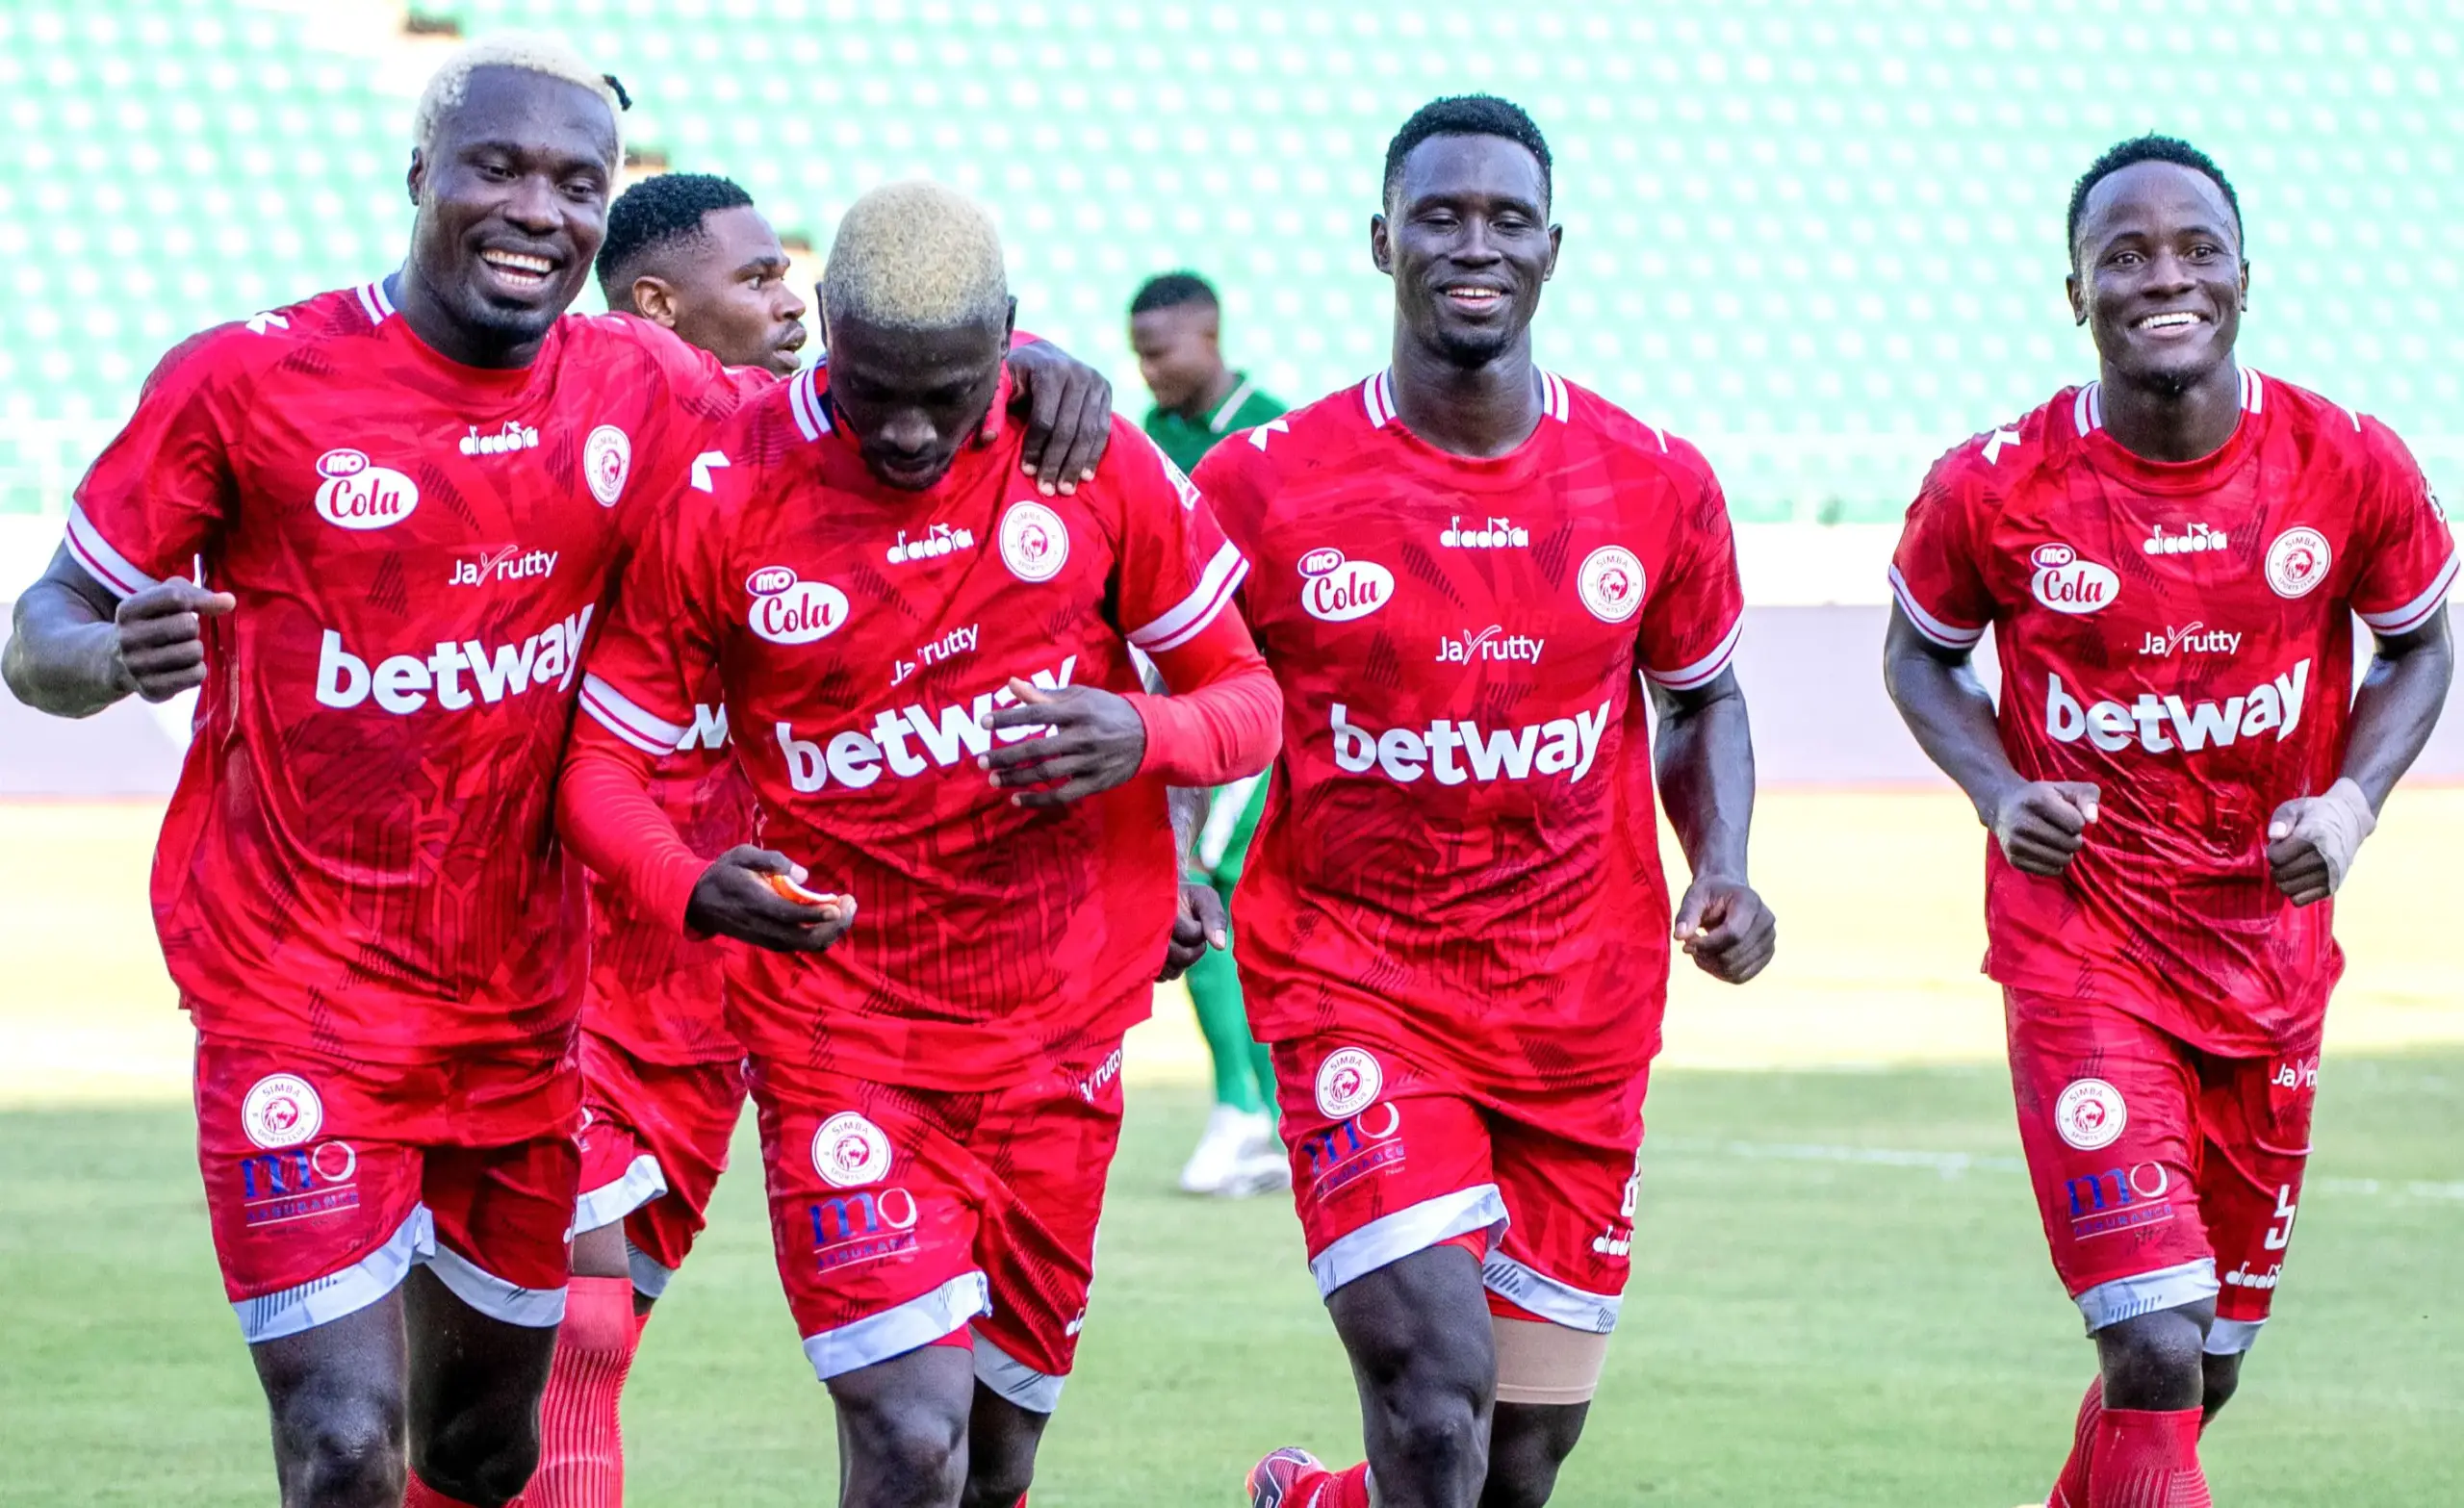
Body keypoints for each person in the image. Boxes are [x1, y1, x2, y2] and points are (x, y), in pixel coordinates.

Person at [0, 38, 1116, 1505]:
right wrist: (107, 655)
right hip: (297, 1003)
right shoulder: (246, 379)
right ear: (420, 176)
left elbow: (853, 423)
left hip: (527, 1018)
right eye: (499, 168)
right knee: (340, 1433)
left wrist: (1010, 362)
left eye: (575, 183)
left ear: (603, 218)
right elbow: (42, 632)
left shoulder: (645, 384)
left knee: (480, 1444)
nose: (538, 206)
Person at [555, 181, 1279, 1508]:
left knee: (995, 1456)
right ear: (824, 323)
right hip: (844, 1042)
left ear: (1007, 339)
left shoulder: (1091, 459)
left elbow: (1249, 699)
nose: (901, 426)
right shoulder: (729, 488)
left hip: (1059, 1039)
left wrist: (1140, 732)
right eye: (871, 384)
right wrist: (688, 883)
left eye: (942, 394)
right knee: (905, 1434)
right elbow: (604, 763)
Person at [1199, 95, 1778, 1508]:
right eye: (1442, 216)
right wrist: (1173, 862)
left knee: (1518, 1456)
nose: (1475, 245)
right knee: (1434, 1386)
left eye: (1507, 219)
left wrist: (1726, 862)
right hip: (1356, 980)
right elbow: (1189, 685)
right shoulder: (1268, 486)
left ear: (1553, 248)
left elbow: (1699, 695)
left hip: (1583, 1003)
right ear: (1381, 239)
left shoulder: (1651, 480)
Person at [1883, 135, 2455, 1508]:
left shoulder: (2349, 461)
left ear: (2245, 276)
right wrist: (1999, 789)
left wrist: (2356, 798)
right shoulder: (1995, 484)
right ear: (2072, 291)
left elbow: (2422, 641)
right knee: (2148, 1338)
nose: (2164, 276)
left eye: (2195, 248)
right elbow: (1919, 652)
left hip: (2269, 962)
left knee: (2207, 1362)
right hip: (2082, 953)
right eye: (2123, 255)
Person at [1128, 268, 1287, 1195]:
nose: (1149, 370)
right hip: (1175, 699)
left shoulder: (1271, 430)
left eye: (1162, 351)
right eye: (1141, 354)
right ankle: (1260, 1107)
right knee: (1209, 893)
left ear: (1210, 333)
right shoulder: (1155, 438)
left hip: (1244, 702)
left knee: (1202, 886)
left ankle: (1244, 1109)